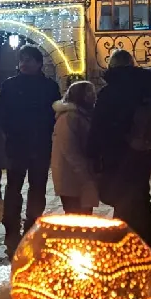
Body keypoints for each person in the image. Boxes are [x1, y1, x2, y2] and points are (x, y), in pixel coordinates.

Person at [88, 49, 151, 250]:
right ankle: (146, 241)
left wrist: (93, 154)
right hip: (142, 152)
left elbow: (99, 126)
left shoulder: (109, 92)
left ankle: (122, 242)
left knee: (121, 198)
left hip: (117, 153)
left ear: (111, 66)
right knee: (141, 196)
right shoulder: (147, 90)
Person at [0, 45, 61, 253]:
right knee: (14, 186)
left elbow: (55, 115)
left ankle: (32, 225)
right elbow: (1, 114)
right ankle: (11, 227)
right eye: (22, 59)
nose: (24, 63)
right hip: (17, 144)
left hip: (40, 145)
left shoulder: (49, 86)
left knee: (37, 187)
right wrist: (9, 132)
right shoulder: (9, 85)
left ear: (39, 63)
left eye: (29, 60)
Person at [52, 81, 98, 215]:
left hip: (81, 174)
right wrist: (84, 172)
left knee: (84, 214)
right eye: (89, 92)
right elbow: (69, 148)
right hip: (71, 175)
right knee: (75, 216)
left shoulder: (83, 115)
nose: (93, 95)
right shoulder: (69, 116)